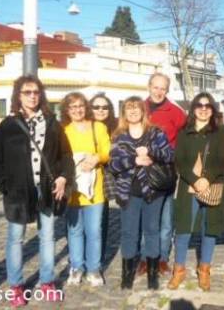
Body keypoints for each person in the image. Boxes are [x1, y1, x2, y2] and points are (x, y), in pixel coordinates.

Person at [0, 75, 74, 306]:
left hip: (46, 189)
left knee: (47, 237)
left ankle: (46, 282)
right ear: (18, 96)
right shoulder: (8, 125)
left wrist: (64, 176)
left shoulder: (52, 123)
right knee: (16, 238)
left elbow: (66, 154)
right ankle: (16, 286)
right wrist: (6, 185)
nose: (32, 96)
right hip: (17, 191)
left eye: (36, 92)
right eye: (27, 92)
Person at [108, 96, 174, 290]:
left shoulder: (155, 133)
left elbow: (170, 155)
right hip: (128, 192)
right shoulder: (119, 136)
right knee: (129, 233)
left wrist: (152, 152)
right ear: (124, 113)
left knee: (152, 231)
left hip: (153, 191)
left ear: (143, 111)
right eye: (129, 108)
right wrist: (133, 160)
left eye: (137, 108)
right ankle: (127, 274)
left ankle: (152, 275)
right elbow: (112, 165)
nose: (133, 111)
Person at [168, 92, 224, 291]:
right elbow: (180, 160)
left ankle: (204, 269)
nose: (203, 109)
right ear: (193, 109)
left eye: (208, 106)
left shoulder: (219, 132)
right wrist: (194, 180)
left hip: (212, 184)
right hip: (188, 185)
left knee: (209, 228)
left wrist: (206, 179)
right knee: (183, 228)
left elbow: (221, 160)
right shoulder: (184, 132)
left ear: (212, 110)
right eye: (199, 105)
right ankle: (179, 269)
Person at [138, 72, 186, 276]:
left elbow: (185, 141)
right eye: (155, 87)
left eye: (163, 88)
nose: (159, 91)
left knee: (166, 220)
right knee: (147, 219)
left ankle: (163, 259)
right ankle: (145, 259)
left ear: (167, 90)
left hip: (166, 172)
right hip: (142, 172)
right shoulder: (137, 108)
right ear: (149, 86)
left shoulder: (175, 112)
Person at [62, 92, 110, 287]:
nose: (77, 110)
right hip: (73, 191)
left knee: (94, 231)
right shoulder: (64, 131)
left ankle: (93, 269)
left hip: (95, 191)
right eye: (73, 107)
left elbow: (108, 151)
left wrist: (96, 158)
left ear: (86, 107)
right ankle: (76, 267)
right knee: (74, 232)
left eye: (80, 106)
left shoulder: (98, 127)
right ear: (67, 111)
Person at [89, 93, 117, 266]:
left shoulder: (115, 128)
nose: (101, 110)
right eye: (96, 107)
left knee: (101, 221)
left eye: (105, 107)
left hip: (105, 181)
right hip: (84, 179)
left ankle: (97, 259)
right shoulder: (83, 126)